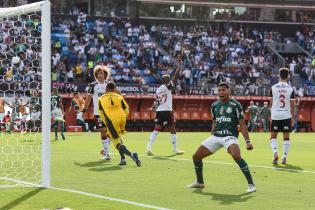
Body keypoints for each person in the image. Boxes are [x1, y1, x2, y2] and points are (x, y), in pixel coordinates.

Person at [186, 82, 256, 193]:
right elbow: (214, 121)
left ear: (229, 91)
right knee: (196, 156)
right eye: (219, 90)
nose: (221, 92)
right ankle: (200, 182)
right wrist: (212, 134)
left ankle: (251, 184)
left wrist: (248, 141)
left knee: (236, 156)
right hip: (216, 136)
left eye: (223, 90)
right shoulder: (214, 105)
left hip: (229, 136)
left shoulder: (235, 105)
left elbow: (242, 124)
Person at [98, 82, 141, 166]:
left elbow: (101, 114)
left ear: (106, 89)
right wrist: (122, 117)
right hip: (122, 119)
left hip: (111, 121)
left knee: (116, 143)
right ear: (114, 89)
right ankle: (123, 159)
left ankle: (132, 155)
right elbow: (127, 110)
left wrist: (107, 123)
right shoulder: (119, 97)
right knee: (118, 138)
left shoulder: (101, 98)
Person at [83, 65, 121, 160]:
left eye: (101, 73)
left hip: (109, 112)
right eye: (98, 73)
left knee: (112, 132)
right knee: (103, 131)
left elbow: (119, 94)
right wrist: (84, 110)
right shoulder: (93, 85)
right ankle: (107, 154)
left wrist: (114, 84)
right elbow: (88, 99)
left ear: (105, 74)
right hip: (98, 112)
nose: (100, 75)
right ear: (96, 75)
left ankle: (105, 150)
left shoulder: (109, 84)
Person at [146, 71, 184, 156]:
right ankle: (174, 149)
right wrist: (178, 68)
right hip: (167, 110)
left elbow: (157, 101)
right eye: (168, 79)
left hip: (159, 110)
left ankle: (148, 147)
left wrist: (153, 107)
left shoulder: (158, 89)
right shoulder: (167, 87)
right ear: (167, 80)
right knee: (172, 129)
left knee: (156, 129)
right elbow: (174, 80)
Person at [269, 68, 296, 165]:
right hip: (286, 115)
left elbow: (271, 103)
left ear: (279, 76)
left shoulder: (273, 88)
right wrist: (292, 117)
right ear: (288, 76)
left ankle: (275, 153)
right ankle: (284, 157)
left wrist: (271, 114)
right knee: (286, 137)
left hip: (275, 115)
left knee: (273, 136)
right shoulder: (290, 89)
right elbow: (292, 105)